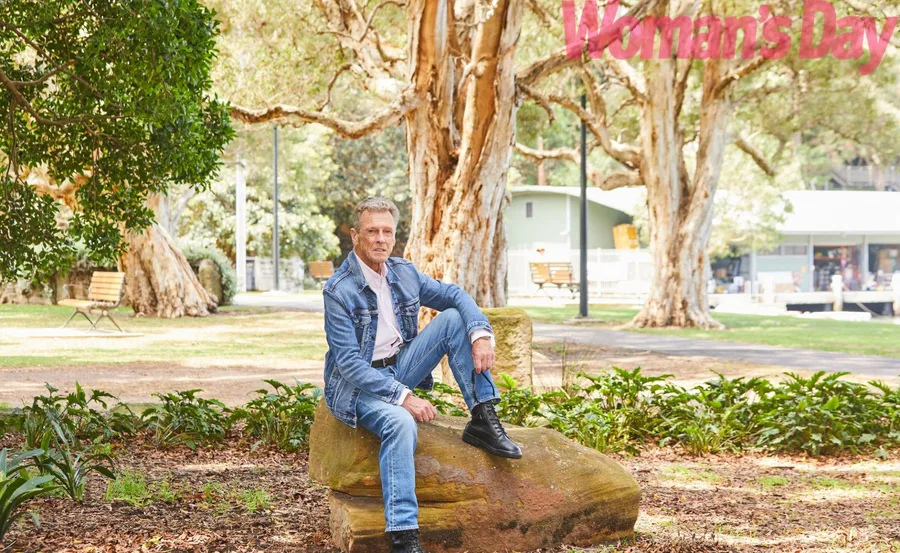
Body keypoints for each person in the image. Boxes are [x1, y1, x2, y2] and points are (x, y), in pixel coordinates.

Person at [322, 197, 522, 553]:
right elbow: (350, 364)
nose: (381, 239)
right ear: (355, 235)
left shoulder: (404, 272)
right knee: (401, 423)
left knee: (453, 319)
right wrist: (403, 397)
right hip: (358, 386)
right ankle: (403, 534)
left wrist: (480, 335)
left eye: (387, 231)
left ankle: (483, 416)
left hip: (400, 367)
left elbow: (455, 294)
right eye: (372, 232)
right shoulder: (338, 291)